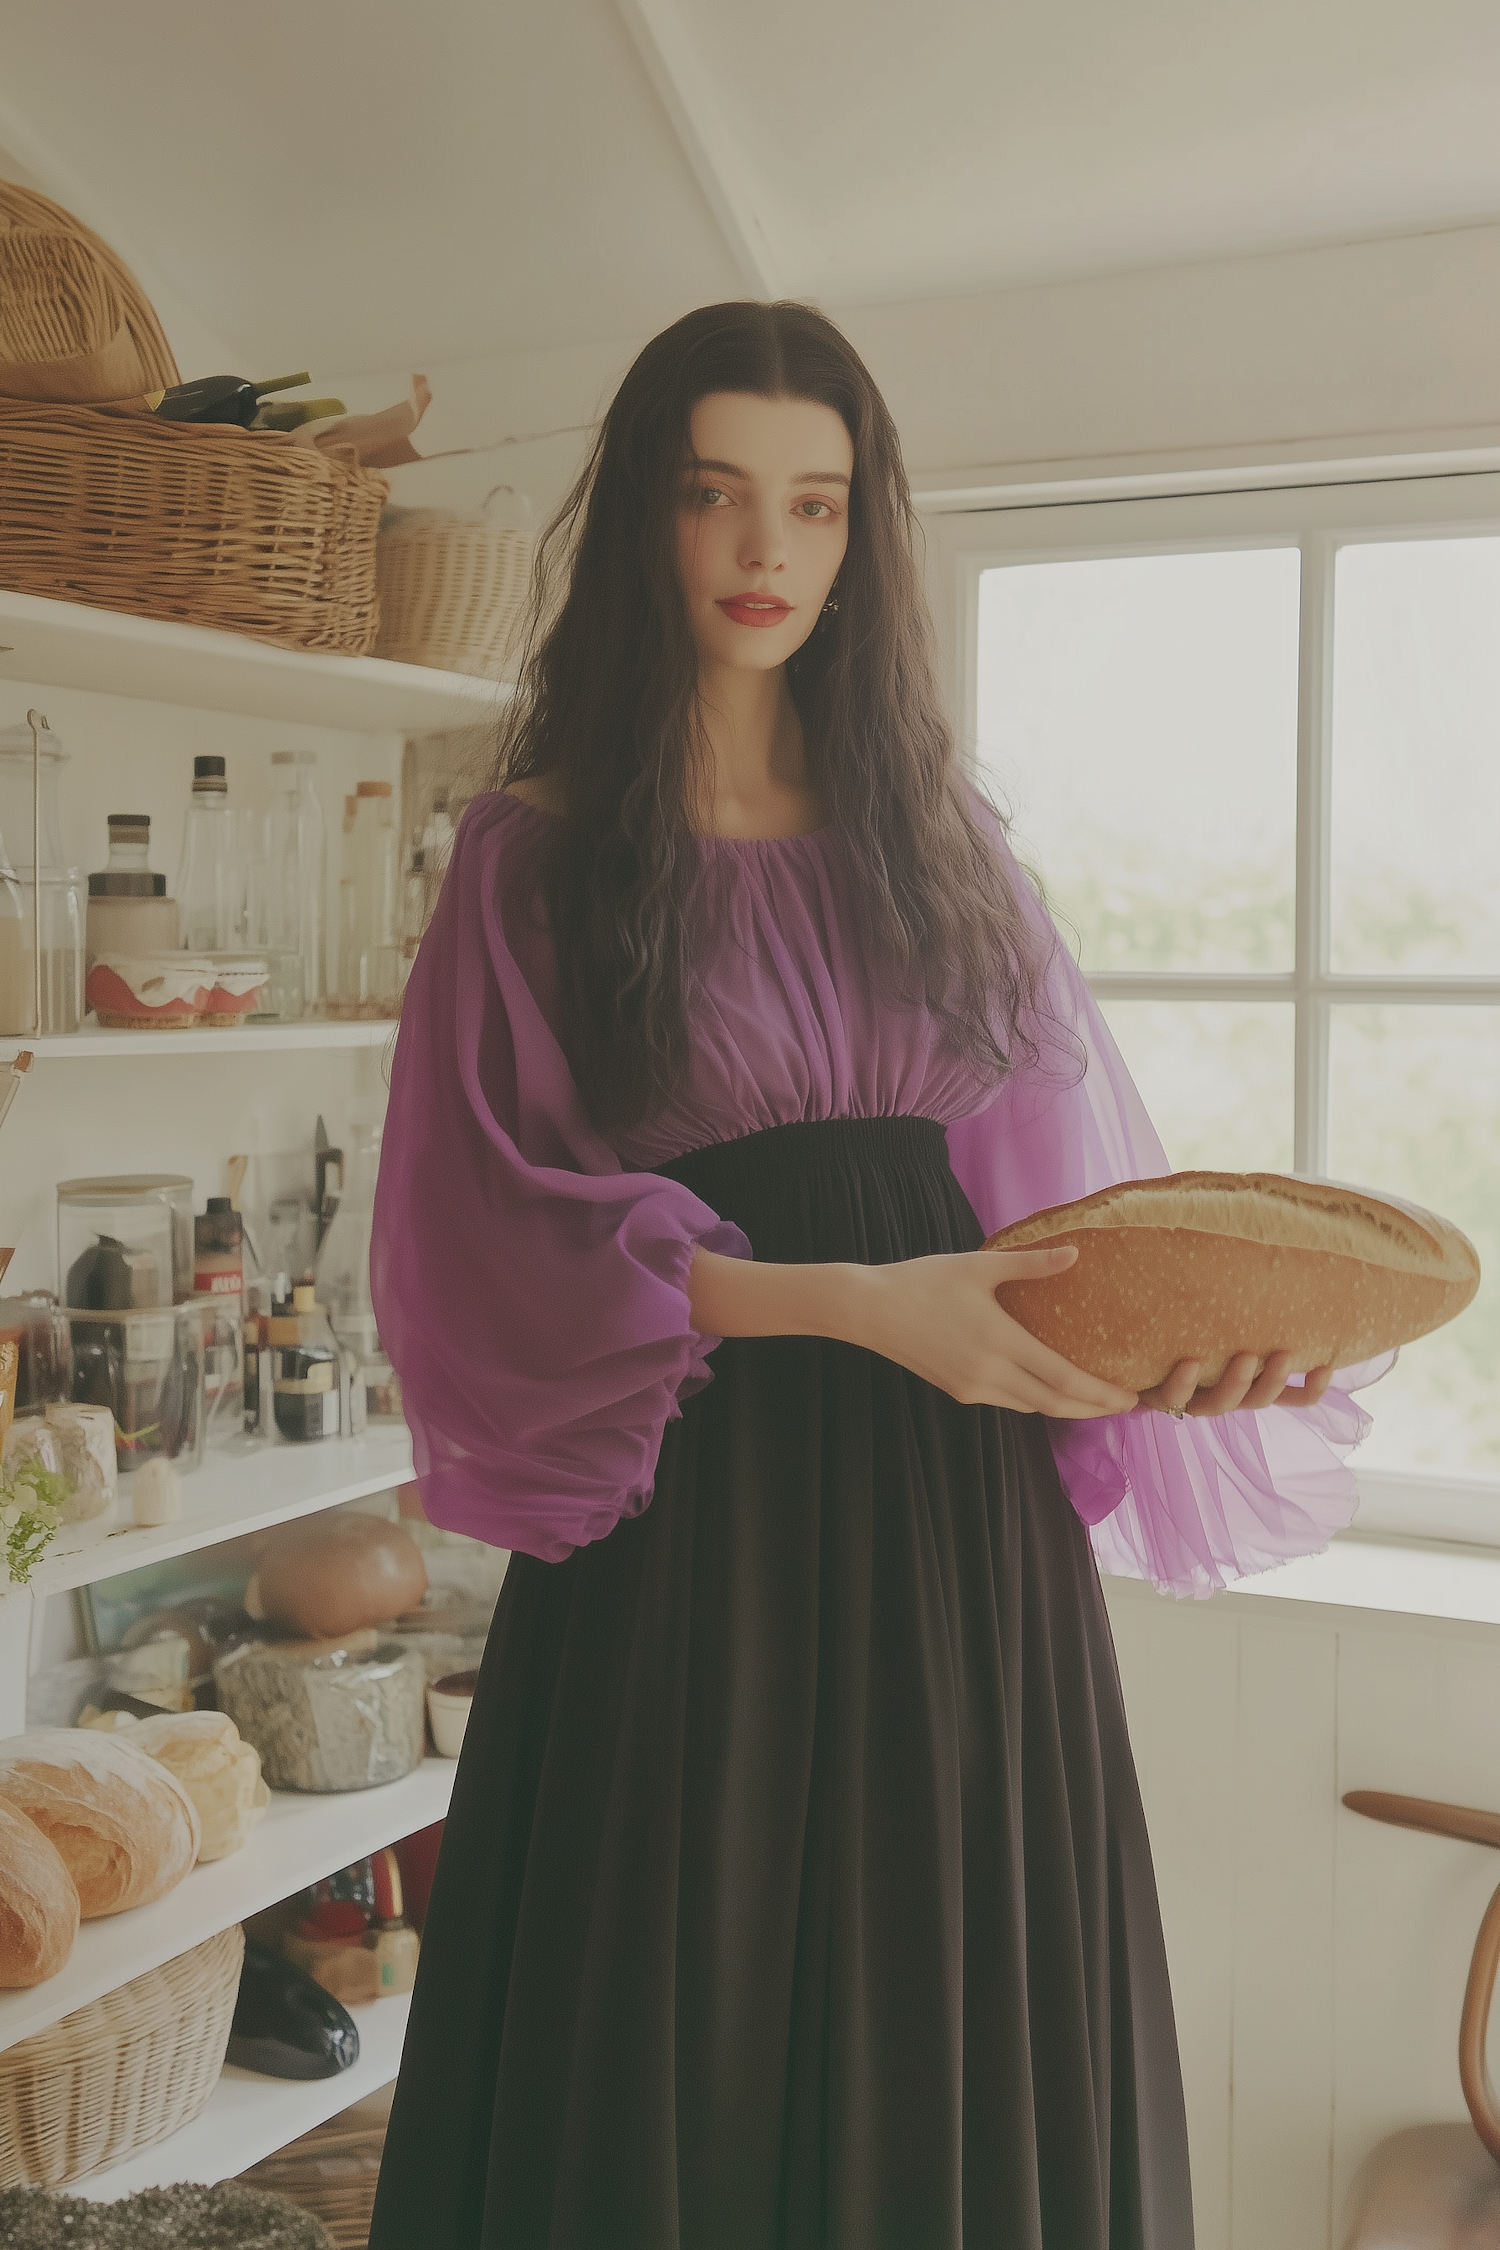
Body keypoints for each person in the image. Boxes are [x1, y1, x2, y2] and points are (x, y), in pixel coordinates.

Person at [367, 301, 1380, 2250]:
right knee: (692, 1996)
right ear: (647, 522)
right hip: (698, 1527)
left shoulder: (947, 857)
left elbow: (1055, 1226)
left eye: (816, 507)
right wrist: (857, 1303)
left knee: (949, 1997)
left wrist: (1154, 1358)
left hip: (951, 1524)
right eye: (719, 496)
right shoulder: (534, 861)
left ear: (862, 536)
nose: (768, 553)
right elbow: (496, 1245)